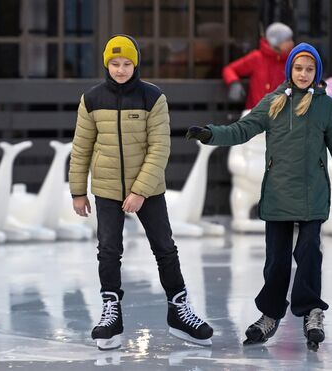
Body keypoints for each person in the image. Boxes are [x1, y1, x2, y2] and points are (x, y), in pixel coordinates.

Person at [186, 43, 332, 351]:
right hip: (278, 194)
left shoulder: (324, 106)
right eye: (298, 68)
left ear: (317, 73)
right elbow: (242, 129)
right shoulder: (273, 102)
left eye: (309, 69)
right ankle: (270, 315)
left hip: (313, 195)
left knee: (309, 251)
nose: (303, 74)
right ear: (289, 71)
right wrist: (210, 134)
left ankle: (312, 312)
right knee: (276, 261)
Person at [69, 35, 213, 351]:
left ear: (136, 64)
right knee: (108, 249)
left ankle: (179, 311)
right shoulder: (92, 99)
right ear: (107, 64)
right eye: (115, 63)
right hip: (105, 189)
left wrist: (139, 191)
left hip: (148, 191)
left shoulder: (152, 97)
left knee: (164, 247)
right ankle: (111, 315)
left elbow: (160, 147)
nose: (120, 69)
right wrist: (78, 192)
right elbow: (81, 148)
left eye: (127, 63)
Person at [222, 22, 294, 109]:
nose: (292, 43)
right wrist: (234, 83)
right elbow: (229, 69)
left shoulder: (291, 60)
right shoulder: (256, 58)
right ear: (276, 42)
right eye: (287, 40)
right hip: (255, 114)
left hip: (281, 114)